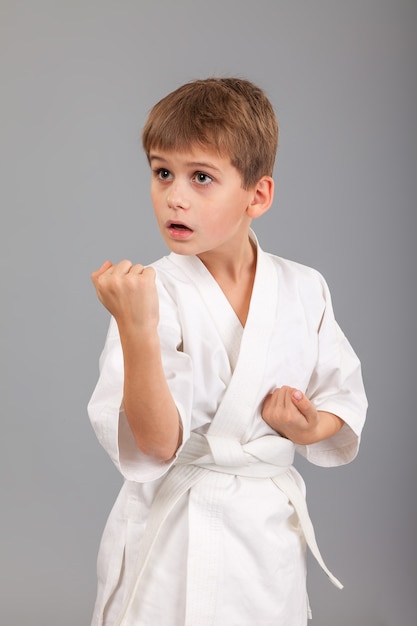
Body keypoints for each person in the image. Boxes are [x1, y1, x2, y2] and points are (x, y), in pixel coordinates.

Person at [88, 77, 367, 626]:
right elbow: (157, 444)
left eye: (201, 177)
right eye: (162, 171)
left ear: (256, 196)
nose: (175, 195)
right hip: (173, 529)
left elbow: (343, 396)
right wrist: (137, 328)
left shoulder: (304, 287)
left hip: (263, 534)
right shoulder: (148, 293)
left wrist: (307, 427)